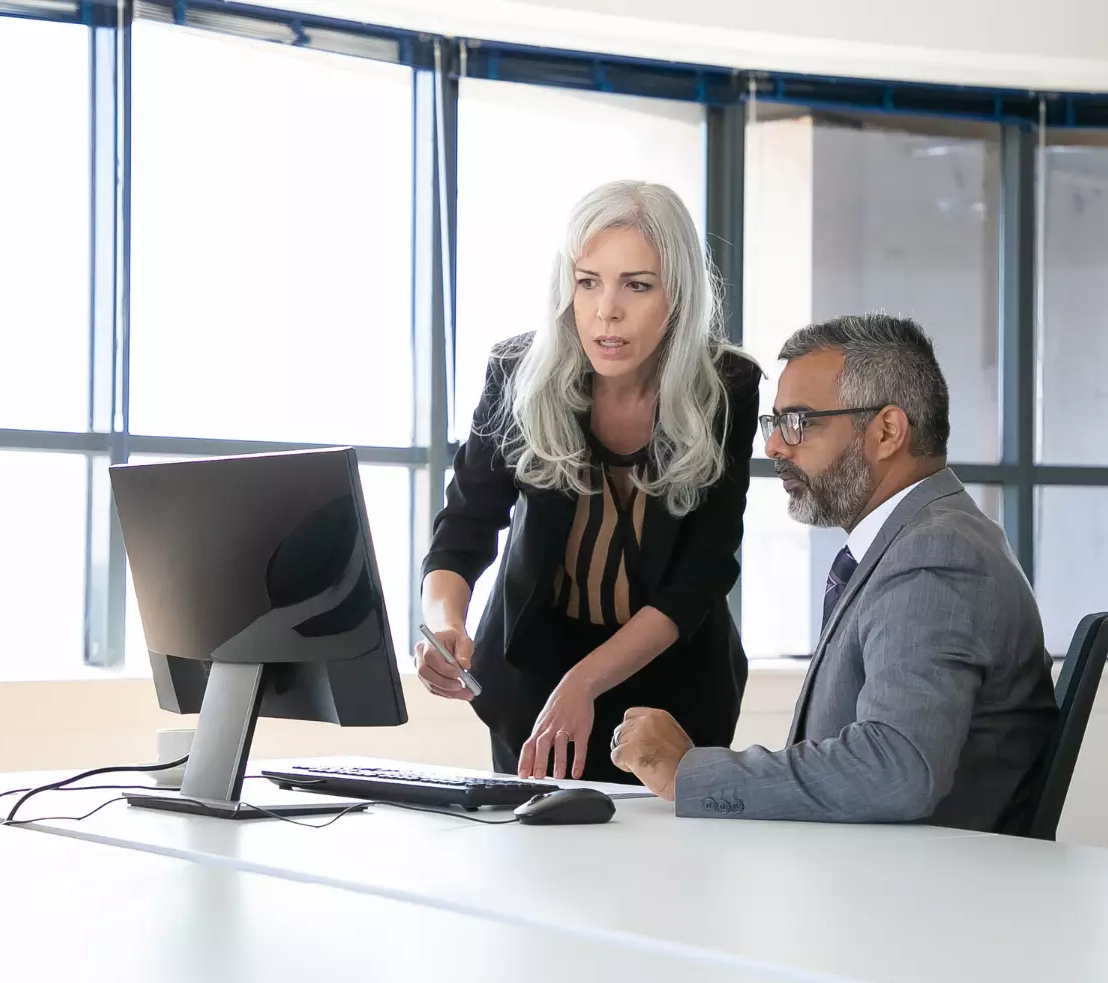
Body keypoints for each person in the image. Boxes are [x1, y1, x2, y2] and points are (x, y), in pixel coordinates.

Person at [610, 314, 1058, 832]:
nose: (775, 446)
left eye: (798, 422)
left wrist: (693, 774)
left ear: (887, 431)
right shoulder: (908, 542)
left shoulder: (937, 553)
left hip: (914, 896)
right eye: (773, 423)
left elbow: (896, 768)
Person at [416, 179, 760, 784]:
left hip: (671, 690)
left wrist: (583, 683)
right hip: (531, 682)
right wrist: (446, 624)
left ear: (677, 295)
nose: (607, 311)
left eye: (637, 285)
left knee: (661, 873)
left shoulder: (725, 389)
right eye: (587, 282)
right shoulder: (516, 372)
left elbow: (701, 576)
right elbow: (463, 528)